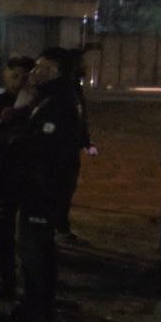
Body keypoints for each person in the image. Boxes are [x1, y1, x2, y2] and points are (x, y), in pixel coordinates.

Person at [11, 53, 82, 322]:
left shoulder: (58, 103)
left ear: (53, 70)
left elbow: (46, 149)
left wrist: (18, 143)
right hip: (43, 188)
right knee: (41, 248)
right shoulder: (52, 98)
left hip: (41, 190)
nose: (33, 72)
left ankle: (36, 308)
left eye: (40, 67)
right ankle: (40, 304)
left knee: (34, 250)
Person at [0, 56, 36, 300]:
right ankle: (7, 281)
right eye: (15, 75)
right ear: (6, 75)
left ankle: (29, 285)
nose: (19, 81)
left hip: (27, 178)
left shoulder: (37, 106)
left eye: (24, 77)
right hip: (1, 177)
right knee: (2, 233)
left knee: (29, 236)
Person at [53, 48, 97, 244]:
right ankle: (58, 227)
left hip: (70, 147)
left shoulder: (73, 87)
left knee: (66, 188)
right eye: (81, 63)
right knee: (61, 188)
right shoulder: (64, 88)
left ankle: (59, 225)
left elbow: (80, 118)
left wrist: (86, 142)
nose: (85, 66)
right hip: (61, 149)